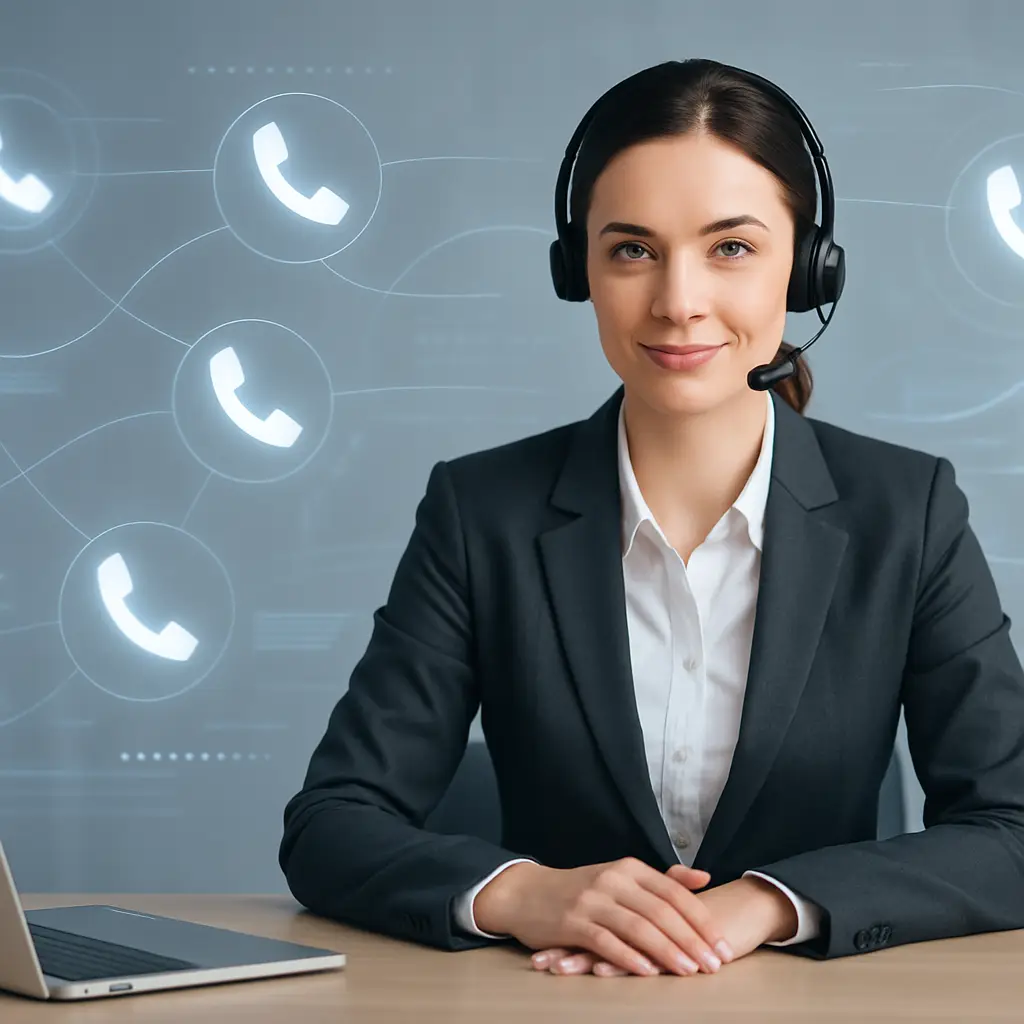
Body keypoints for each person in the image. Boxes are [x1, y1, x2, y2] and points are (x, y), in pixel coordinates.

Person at [279, 59, 1024, 979]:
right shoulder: (481, 513)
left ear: (806, 268)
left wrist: (769, 902)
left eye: (732, 248)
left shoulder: (908, 512)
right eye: (632, 250)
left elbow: (1012, 828)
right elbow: (331, 825)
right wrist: (526, 893)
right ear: (578, 271)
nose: (678, 303)